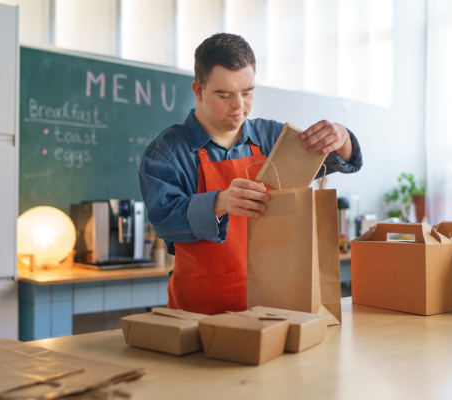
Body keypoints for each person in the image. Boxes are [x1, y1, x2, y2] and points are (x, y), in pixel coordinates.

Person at [139, 33, 363, 315]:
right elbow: (164, 221)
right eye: (225, 94)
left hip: (275, 302)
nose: (239, 106)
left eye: (247, 92)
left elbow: (342, 160)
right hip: (202, 311)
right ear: (198, 90)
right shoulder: (166, 152)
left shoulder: (272, 137)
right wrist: (219, 203)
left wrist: (341, 137)